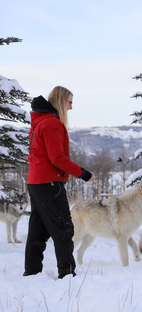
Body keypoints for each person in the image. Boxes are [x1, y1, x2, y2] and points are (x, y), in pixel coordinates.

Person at [24, 86, 95, 279]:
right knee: (64, 229)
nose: (71, 107)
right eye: (69, 102)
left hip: (36, 182)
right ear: (61, 101)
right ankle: (67, 273)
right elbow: (57, 157)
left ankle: (32, 273)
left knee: (38, 231)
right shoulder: (52, 123)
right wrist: (83, 173)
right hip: (49, 183)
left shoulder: (39, 122)